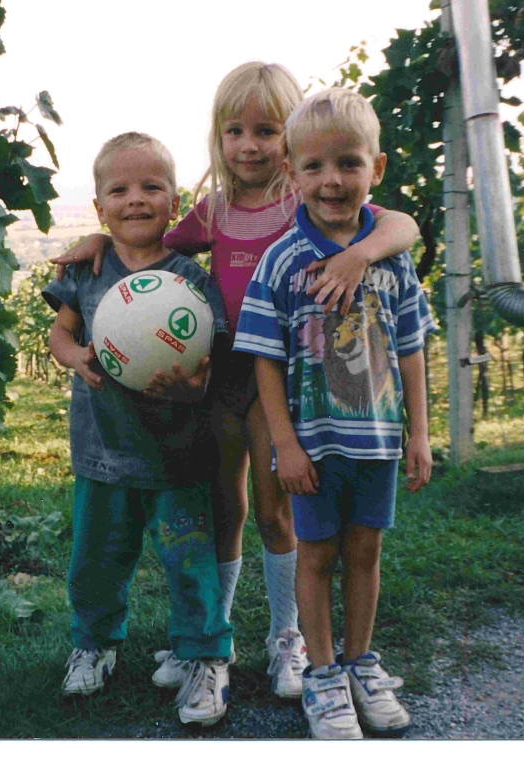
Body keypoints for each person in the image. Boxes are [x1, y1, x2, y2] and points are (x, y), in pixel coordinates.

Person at [51, 63, 420, 700]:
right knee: (223, 506)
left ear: (292, 139)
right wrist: (93, 235)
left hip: (288, 382)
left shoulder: (308, 195)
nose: (249, 145)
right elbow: (147, 233)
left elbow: (400, 226)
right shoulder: (215, 210)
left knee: (279, 512)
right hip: (220, 377)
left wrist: (358, 254)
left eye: (267, 130)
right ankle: (207, 640)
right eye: (235, 130)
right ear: (219, 138)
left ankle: (288, 642)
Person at [233, 87, 435, 739]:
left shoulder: (394, 261)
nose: (332, 180)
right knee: (315, 556)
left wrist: (420, 435)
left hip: (375, 442)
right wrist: (284, 446)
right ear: (292, 174)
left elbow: (410, 349)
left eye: (348, 163)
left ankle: (361, 664)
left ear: (376, 169)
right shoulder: (283, 263)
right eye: (314, 167)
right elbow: (264, 359)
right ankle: (322, 677)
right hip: (313, 448)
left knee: (367, 551)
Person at [43, 132, 233, 727]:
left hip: (177, 455)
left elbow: (214, 364)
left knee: (189, 562)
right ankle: (95, 645)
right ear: (99, 208)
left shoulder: (192, 281)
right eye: (119, 189)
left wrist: (193, 389)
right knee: (96, 560)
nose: (135, 199)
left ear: (174, 203)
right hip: (102, 452)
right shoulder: (88, 271)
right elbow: (60, 336)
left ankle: (204, 658)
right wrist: (74, 358)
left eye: (152, 187)